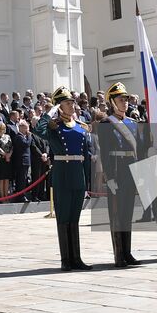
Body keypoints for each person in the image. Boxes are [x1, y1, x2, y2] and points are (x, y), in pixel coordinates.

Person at [34, 87, 91, 271]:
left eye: (72, 102)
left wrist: (87, 179)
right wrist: (49, 112)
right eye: (67, 103)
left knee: (74, 217)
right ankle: (66, 259)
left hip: (77, 174)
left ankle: (77, 258)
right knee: (63, 217)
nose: (72, 105)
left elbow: (86, 155)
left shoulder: (81, 127)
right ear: (60, 107)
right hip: (62, 174)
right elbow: (38, 130)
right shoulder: (54, 126)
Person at [95, 82, 145, 267]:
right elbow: (105, 152)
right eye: (120, 100)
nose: (125, 103)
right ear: (112, 102)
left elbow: (138, 150)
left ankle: (128, 252)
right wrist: (110, 176)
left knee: (128, 214)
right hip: (117, 170)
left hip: (131, 170)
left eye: (125, 99)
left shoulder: (132, 123)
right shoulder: (106, 123)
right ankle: (119, 255)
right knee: (117, 215)